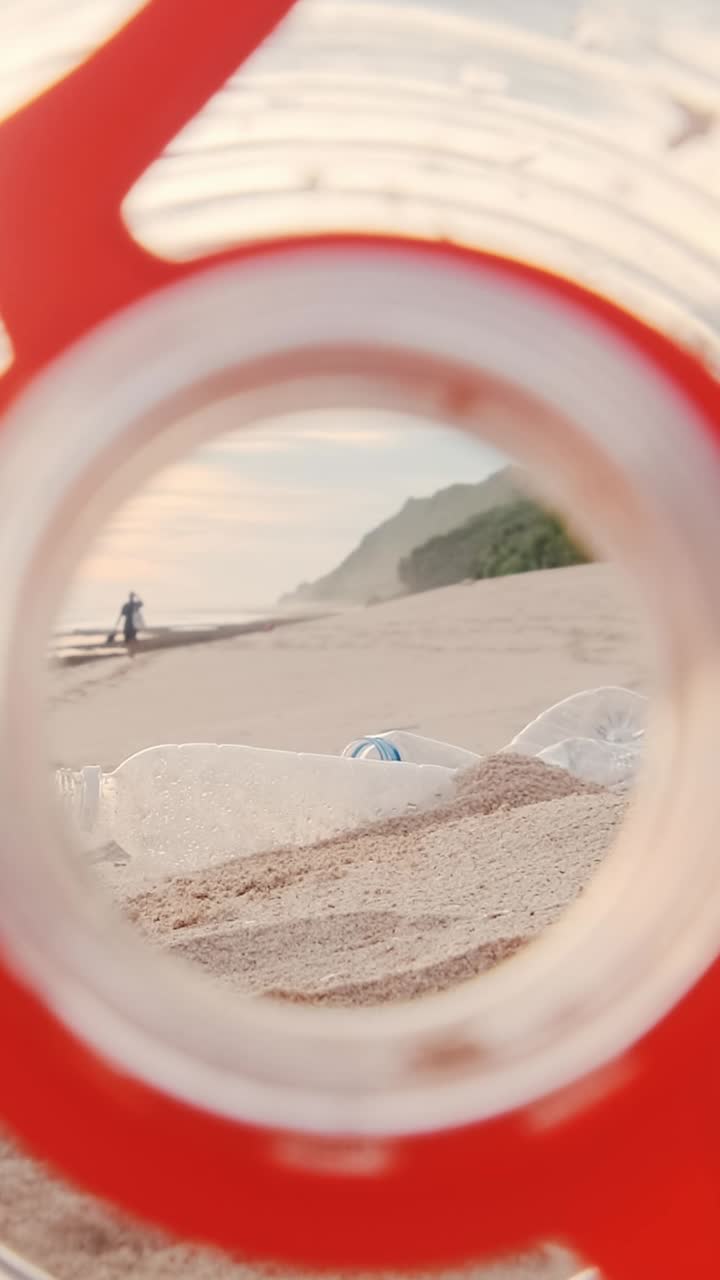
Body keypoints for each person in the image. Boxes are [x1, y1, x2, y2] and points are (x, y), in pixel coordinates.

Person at [116, 591, 144, 657]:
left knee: (130, 638)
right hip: (131, 624)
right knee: (130, 638)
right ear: (131, 597)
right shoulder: (132, 605)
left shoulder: (129, 605)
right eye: (132, 596)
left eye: (131, 596)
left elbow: (122, 614)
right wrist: (137, 595)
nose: (131, 597)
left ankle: (131, 652)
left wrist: (118, 622)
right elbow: (122, 614)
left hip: (131, 624)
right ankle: (131, 652)